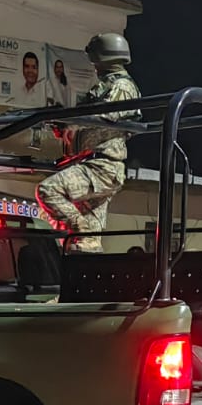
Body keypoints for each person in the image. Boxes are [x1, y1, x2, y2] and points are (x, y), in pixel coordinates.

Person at [36, 32, 140, 254]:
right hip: (94, 165)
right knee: (84, 244)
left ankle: (77, 226)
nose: (93, 66)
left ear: (102, 58)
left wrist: (73, 121)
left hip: (100, 167)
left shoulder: (122, 86)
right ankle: (86, 280)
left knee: (48, 190)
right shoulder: (105, 87)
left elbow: (104, 117)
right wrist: (65, 124)